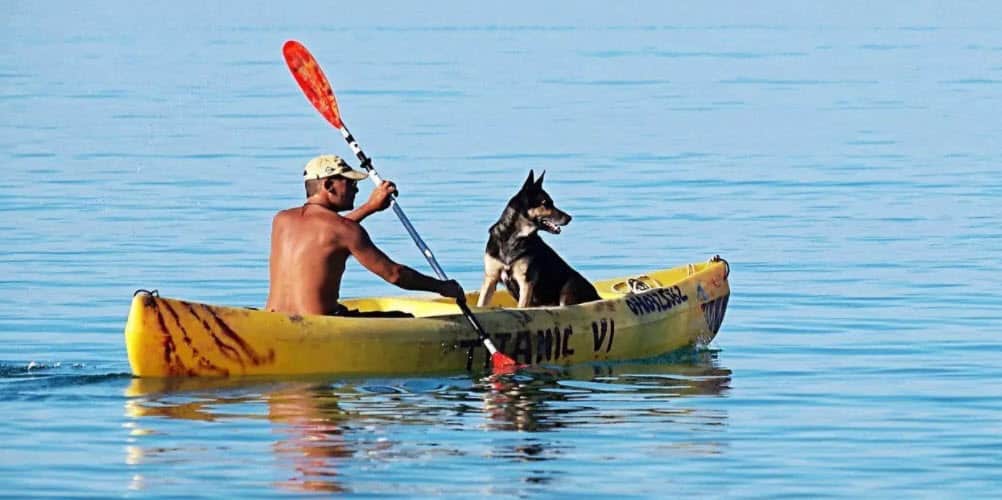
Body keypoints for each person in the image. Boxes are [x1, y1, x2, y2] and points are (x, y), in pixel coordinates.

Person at [265, 154, 464, 316]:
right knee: (404, 318)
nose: (356, 188)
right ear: (328, 186)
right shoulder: (345, 230)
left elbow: (327, 233)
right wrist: (442, 287)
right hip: (321, 326)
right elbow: (395, 275)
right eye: (349, 182)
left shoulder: (281, 220)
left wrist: (370, 207)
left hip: (274, 320)